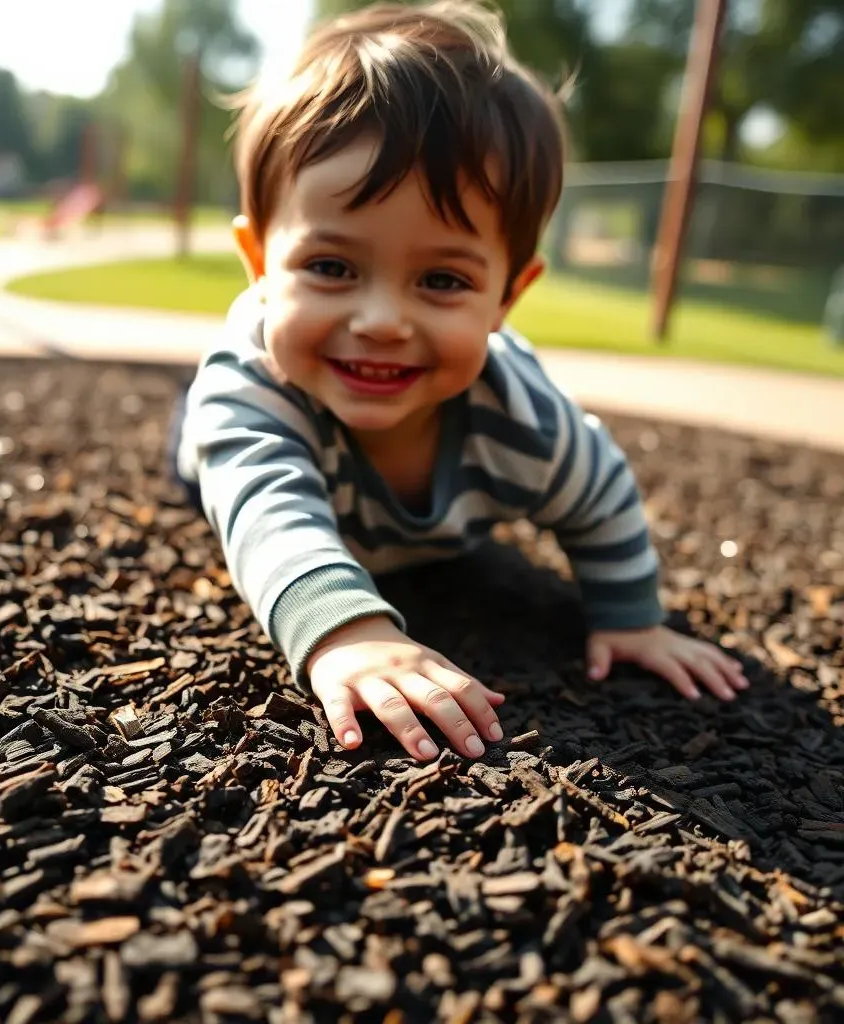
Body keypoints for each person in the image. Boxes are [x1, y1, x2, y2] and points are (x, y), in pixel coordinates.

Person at [174, 0, 748, 762]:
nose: (380, 319)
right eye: (331, 267)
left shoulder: (525, 418)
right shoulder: (255, 389)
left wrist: (630, 617)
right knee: (222, 473)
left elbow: (601, 493)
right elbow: (265, 504)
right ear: (259, 264)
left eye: (441, 279)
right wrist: (349, 633)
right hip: (226, 459)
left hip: (418, 514)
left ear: (508, 297)